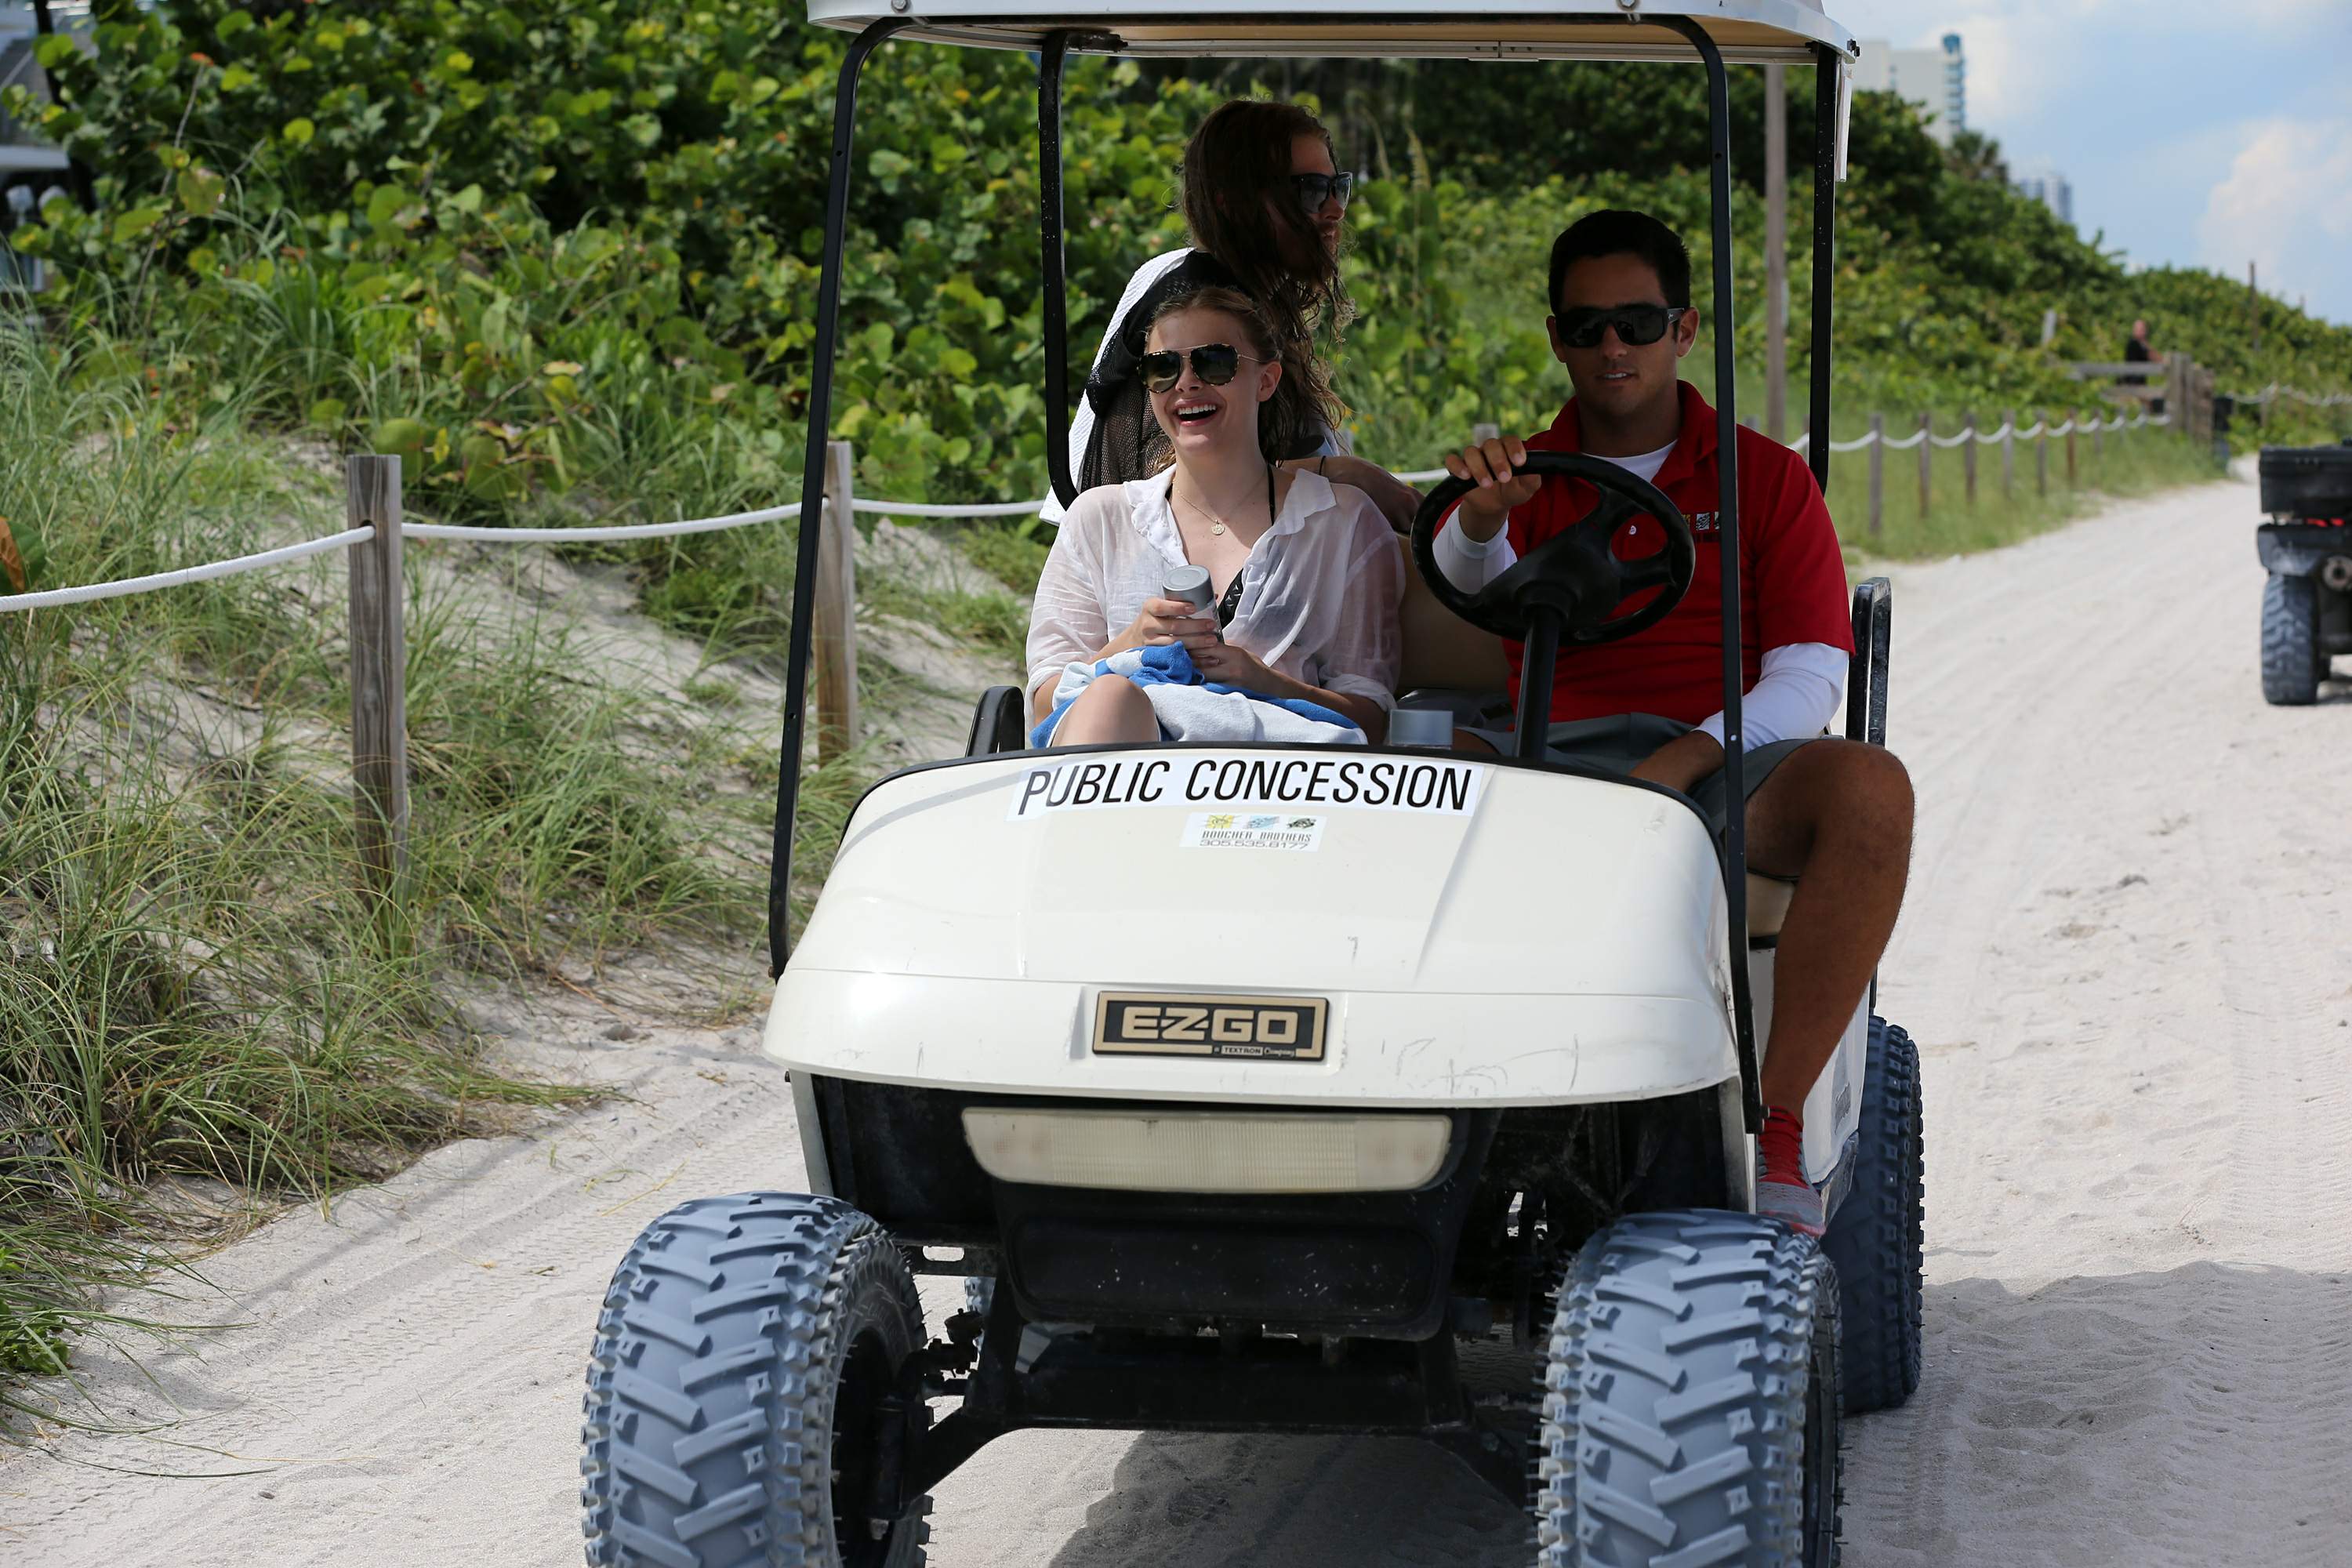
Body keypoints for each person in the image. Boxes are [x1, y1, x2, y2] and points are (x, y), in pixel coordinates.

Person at [1432, 209, 1915, 1236]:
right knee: (1377, 780)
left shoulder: (1765, 477)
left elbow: (1808, 669)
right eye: (1589, 326)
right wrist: (1478, 520)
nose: (1613, 348)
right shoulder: (1523, 476)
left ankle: (1776, 1120)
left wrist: (1686, 754)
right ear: (1557, 336)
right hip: (1549, 754)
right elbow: (1474, 586)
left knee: (1872, 791)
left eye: (1638, 323)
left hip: (1720, 761)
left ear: (1685, 329)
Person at [1026, 285, 1401, 746]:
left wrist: (1265, 680)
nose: (1186, 382)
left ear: (1266, 380)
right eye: (1163, 368)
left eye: (1214, 362)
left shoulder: (1343, 521)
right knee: (1110, 698)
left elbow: (1373, 719)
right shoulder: (1099, 518)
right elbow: (1044, 704)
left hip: (1277, 789)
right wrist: (1130, 645)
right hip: (1128, 784)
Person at [1047, 97, 1423, 532]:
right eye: (1308, 191)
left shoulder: (1220, 285)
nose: (1334, 208)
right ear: (1231, 202)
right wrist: (1345, 475)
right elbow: (1175, 480)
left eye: (1337, 187)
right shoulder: (1195, 307)